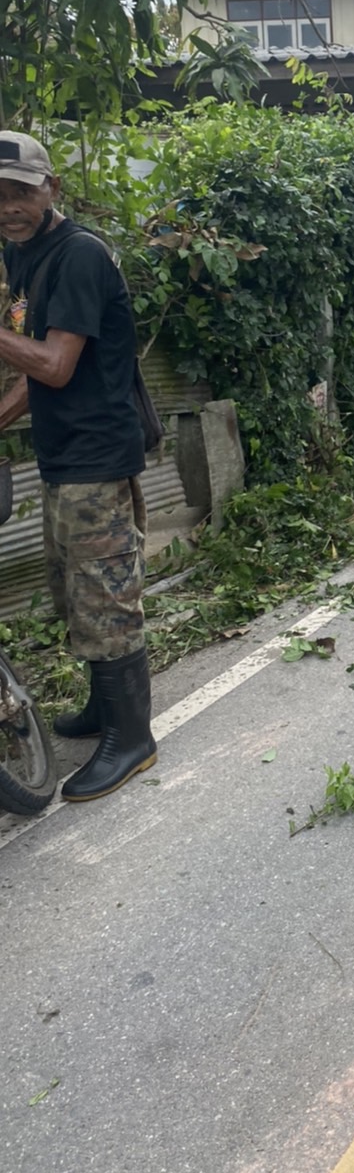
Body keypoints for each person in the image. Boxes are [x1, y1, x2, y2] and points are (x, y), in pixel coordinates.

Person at [0, 131, 155, 802]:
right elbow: (37, 366)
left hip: (96, 455)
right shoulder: (25, 255)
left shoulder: (79, 256)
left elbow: (56, 367)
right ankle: (102, 711)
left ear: (51, 190)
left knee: (107, 596)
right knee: (77, 591)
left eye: (21, 193)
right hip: (64, 455)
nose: (8, 206)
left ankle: (134, 737)